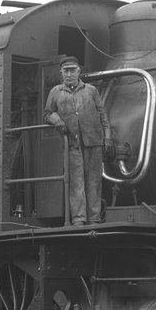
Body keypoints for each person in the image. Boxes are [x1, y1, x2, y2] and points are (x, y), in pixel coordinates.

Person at [44, 56, 113, 225]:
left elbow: (103, 115)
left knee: (94, 180)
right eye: (66, 71)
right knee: (76, 182)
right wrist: (56, 119)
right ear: (61, 73)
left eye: (72, 70)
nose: (69, 74)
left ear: (78, 71)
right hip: (72, 144)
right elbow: (47, 113)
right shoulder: (55, 92)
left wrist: (108, 138)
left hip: (93, 141)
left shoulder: (91, 91)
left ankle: (94, 219)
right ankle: (79, 219)